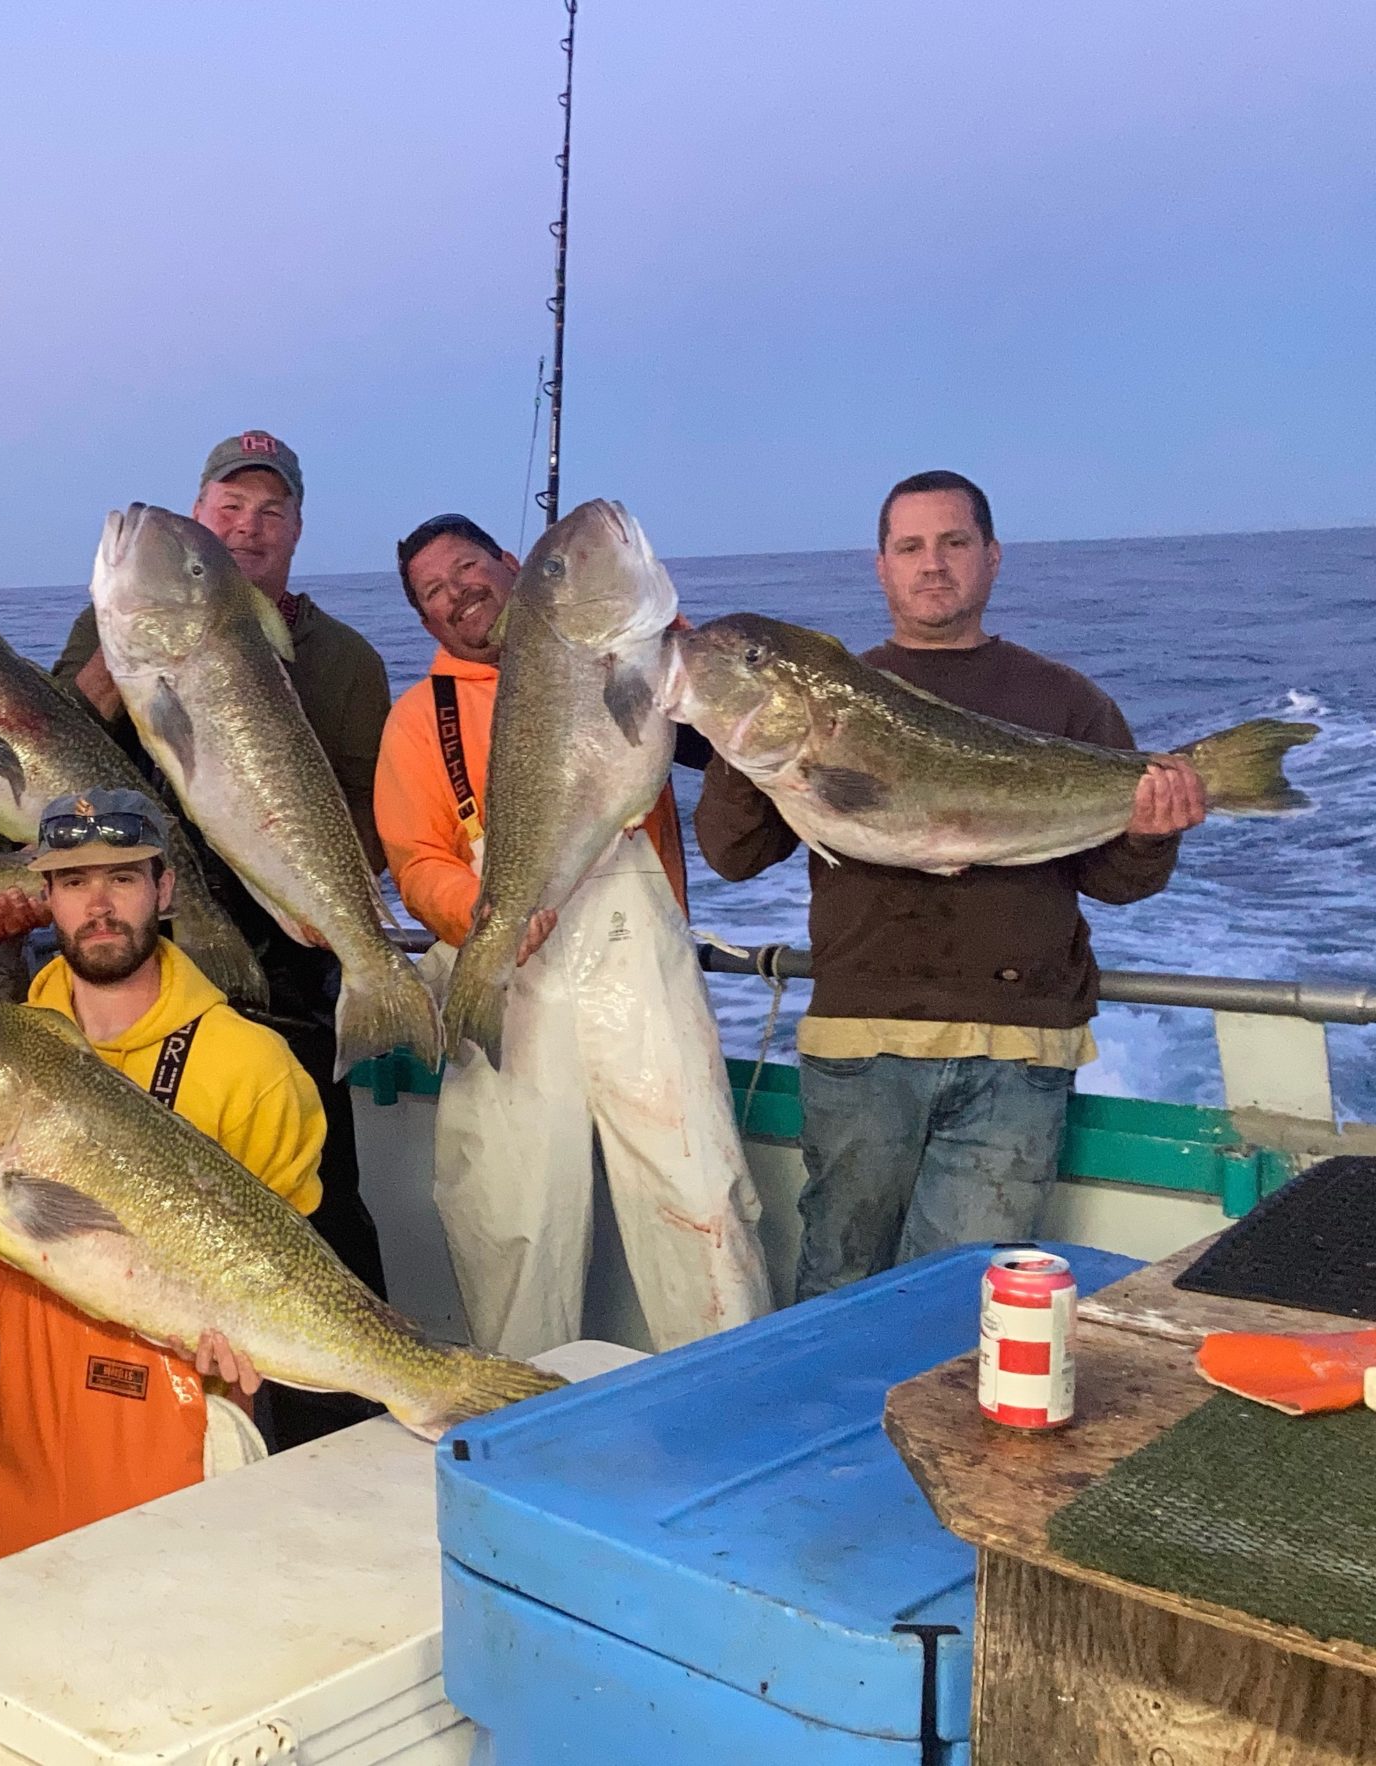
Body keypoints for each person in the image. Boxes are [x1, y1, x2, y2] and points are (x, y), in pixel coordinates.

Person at [696, 470, 1205, 1298]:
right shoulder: (822, 694)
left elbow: (1116, 883)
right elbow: (734, 855)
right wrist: (735, 737)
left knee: (964, 1302)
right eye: (910, 547)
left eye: (954, 542)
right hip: (863, 1037)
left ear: (992, 557)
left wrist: (1152, 833)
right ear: (882, 567)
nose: (932, 564)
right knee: (839, 1282)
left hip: (1020, 1043)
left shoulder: (1066, 700)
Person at [52, 433, 393, 1444]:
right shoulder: (104, 625)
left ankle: (342, 1432)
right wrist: (111, 670)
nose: (248, 526)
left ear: (297, 529)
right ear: (201, 520)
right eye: (229, 508)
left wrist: (319, 897)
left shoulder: (345, 659)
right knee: (152, 1212)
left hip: (291, 972)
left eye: (269, 511)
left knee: (318, 1206)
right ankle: (166, 1442)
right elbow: (50, 761)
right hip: (139, 964)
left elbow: (370, 820)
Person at [377, 514, 772, 1358]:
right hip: (510, 979)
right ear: (423, 620)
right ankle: (526, 1410)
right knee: (513, 1220)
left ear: (512, 565)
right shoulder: (416, 720)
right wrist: (479, 912)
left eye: (468, 567)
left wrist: (678, 646)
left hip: (640, 967)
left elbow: (726, 735)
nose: (458, 594)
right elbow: (415, 859)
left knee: (698, 1194)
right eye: (433, 592)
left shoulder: (638, 658)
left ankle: (729, 1390)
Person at [0, 790, 326, 1568]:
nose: (100, 905)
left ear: (164, 889)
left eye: (123, 878)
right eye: (75, 882)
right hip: (24, 1433)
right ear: (46, 899)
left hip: (182, 1430)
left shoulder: (253, 1067)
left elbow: (287, 1280)